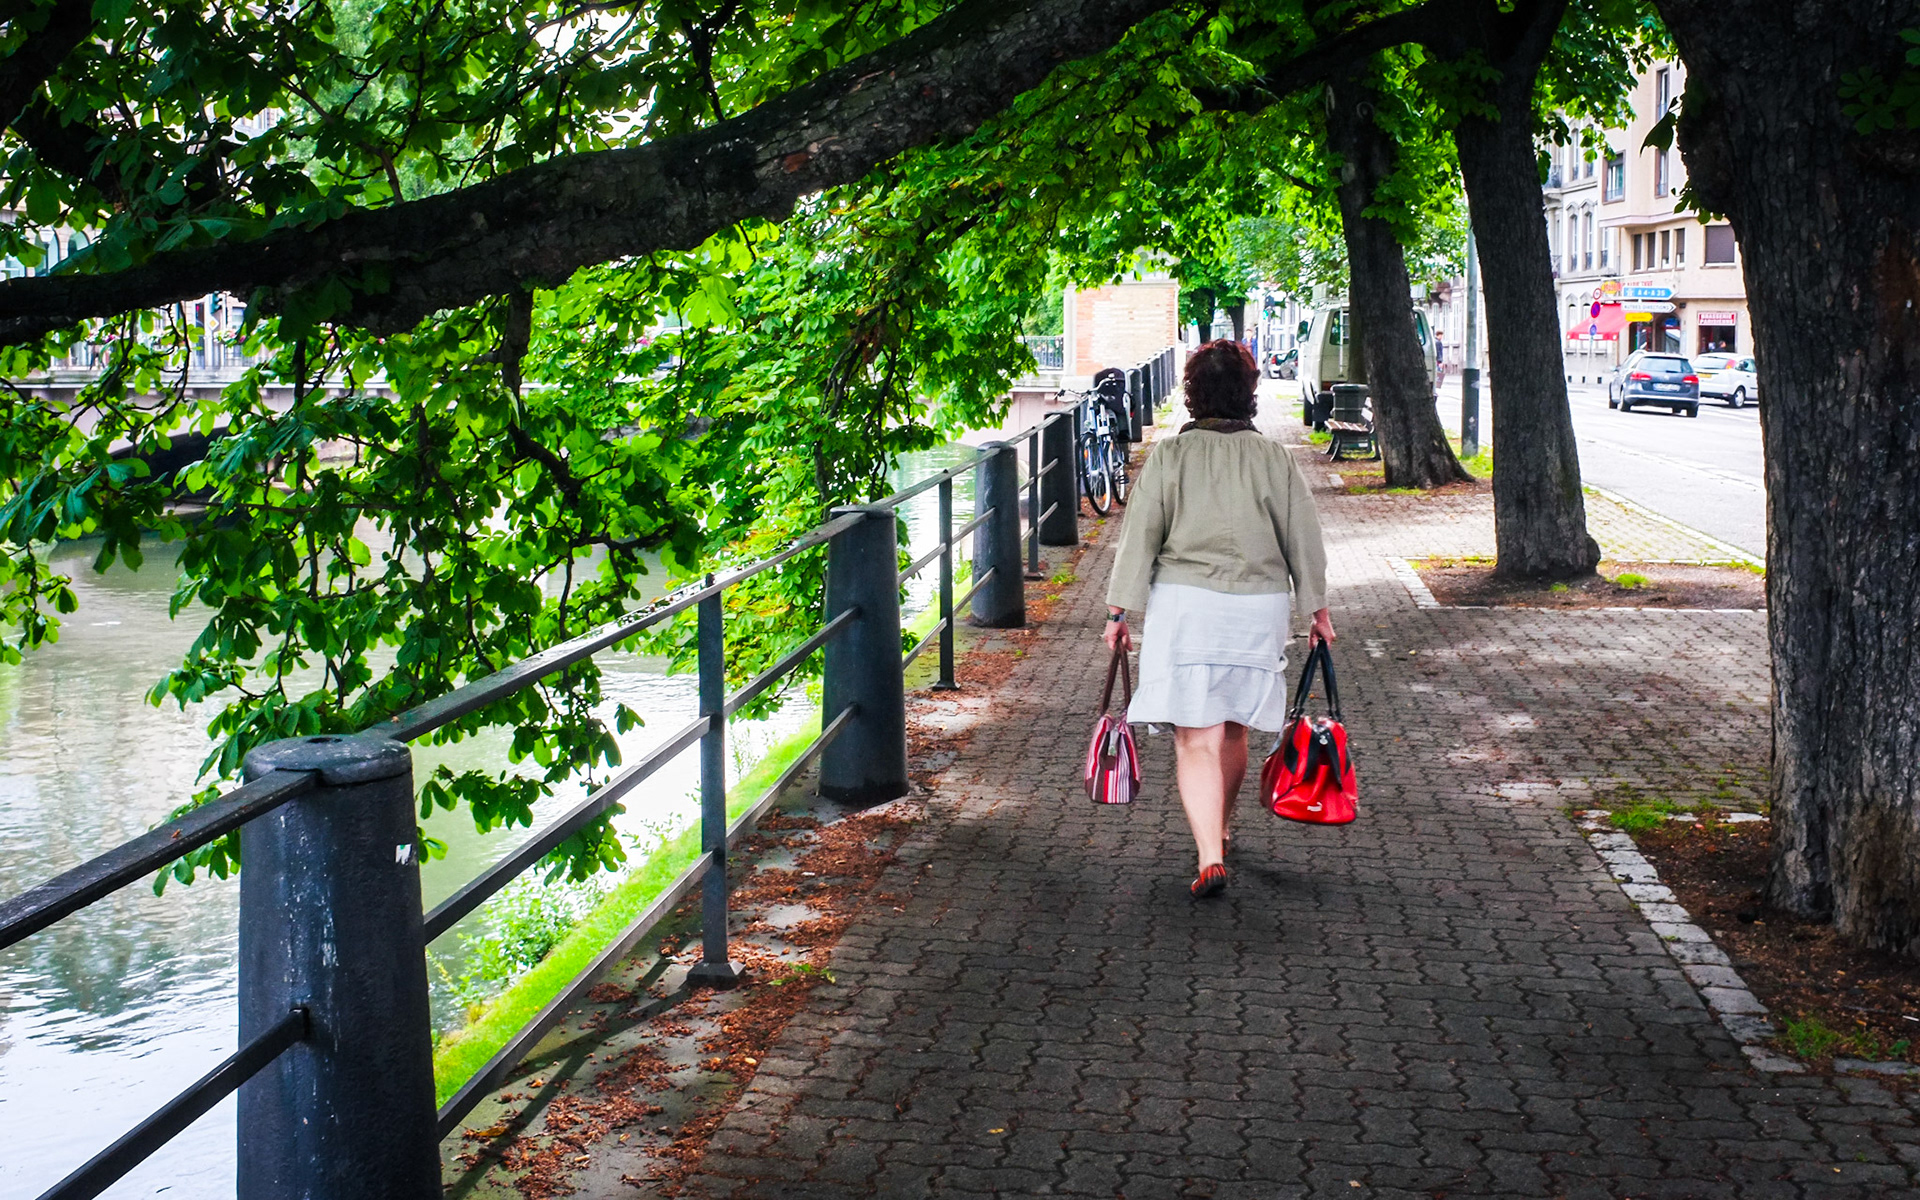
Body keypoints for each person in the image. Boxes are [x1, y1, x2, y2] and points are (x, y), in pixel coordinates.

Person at [1103, 339, 1334, 899]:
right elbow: (1304, 538)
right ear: (1249, 393)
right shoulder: (1274, 459)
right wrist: (1317, 610)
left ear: (1193, 394)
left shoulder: (1170, 456)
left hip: (1187, 608)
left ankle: (1209, 854)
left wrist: (1119, 611)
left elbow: (1140, 538)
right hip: (1257, 609)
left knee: (1195, 737)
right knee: (1232, 726)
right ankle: (1223, 829)